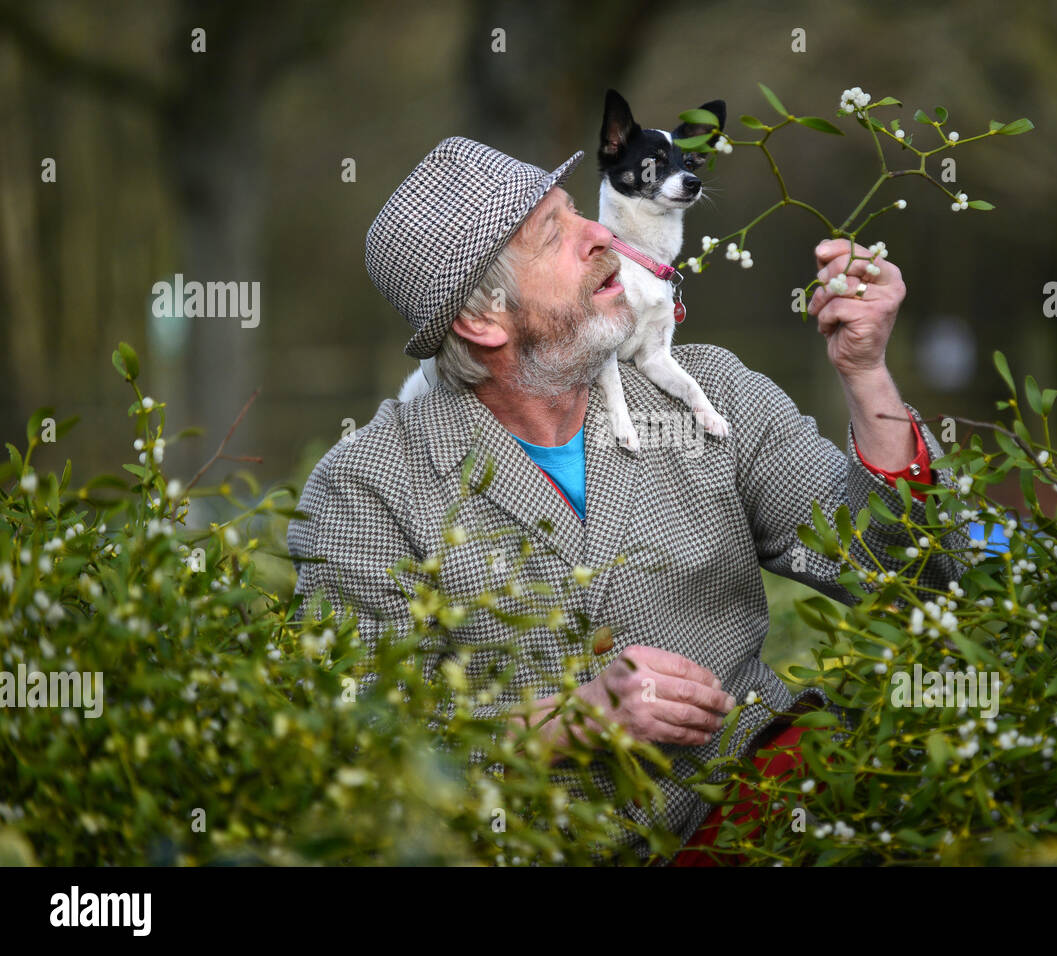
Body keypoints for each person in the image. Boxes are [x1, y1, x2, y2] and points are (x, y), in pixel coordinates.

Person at [287, 136, 972, 863]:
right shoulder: (365, 487)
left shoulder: (713, 393)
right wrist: (568, 723)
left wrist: (865, 374)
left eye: (578, 211)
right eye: (555, 233)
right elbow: (358, 754)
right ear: (483, 318)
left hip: (765, 814)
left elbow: (918, 576)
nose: (601, 235)